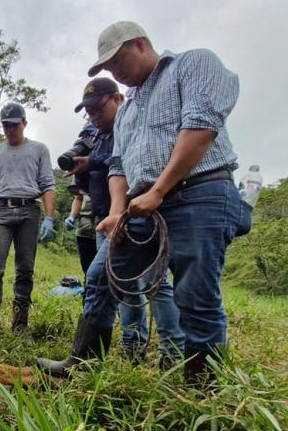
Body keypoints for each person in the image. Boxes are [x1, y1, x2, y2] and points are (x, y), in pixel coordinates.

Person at [64, 21, 250, 384]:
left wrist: (160, 190)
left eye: (117, 62)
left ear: (140, 44)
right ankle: (81, 366)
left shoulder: (192, 64)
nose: (114, 72)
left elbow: (201, 126)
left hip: (199, 194)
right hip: (141, 206)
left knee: (194, 294)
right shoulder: (129, 108)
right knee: (101, 275)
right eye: (107, 68)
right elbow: (118, 164)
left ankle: (202, 387)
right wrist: (117, 211)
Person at [38, 78, 184, 375]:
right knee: (121, 283)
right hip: (110, 215)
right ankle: (130, 347)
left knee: (154, 284)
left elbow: (128, 161)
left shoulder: (131, 125)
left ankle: (172, 355)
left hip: (139, 212)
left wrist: (92, 161)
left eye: (98, 109)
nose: (93, 116)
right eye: (88, 112)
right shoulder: (96, 134)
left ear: (117, 99)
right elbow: (96, 174)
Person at [0, 102, 56, 343]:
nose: (9, 130)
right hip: (0, 211)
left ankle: (20, 327)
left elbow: (48, 184)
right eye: (5, 125)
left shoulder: (39, 149)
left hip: (29, 211)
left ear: (24, 123)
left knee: (25, 269)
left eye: (14, 125)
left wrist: (50, 217)